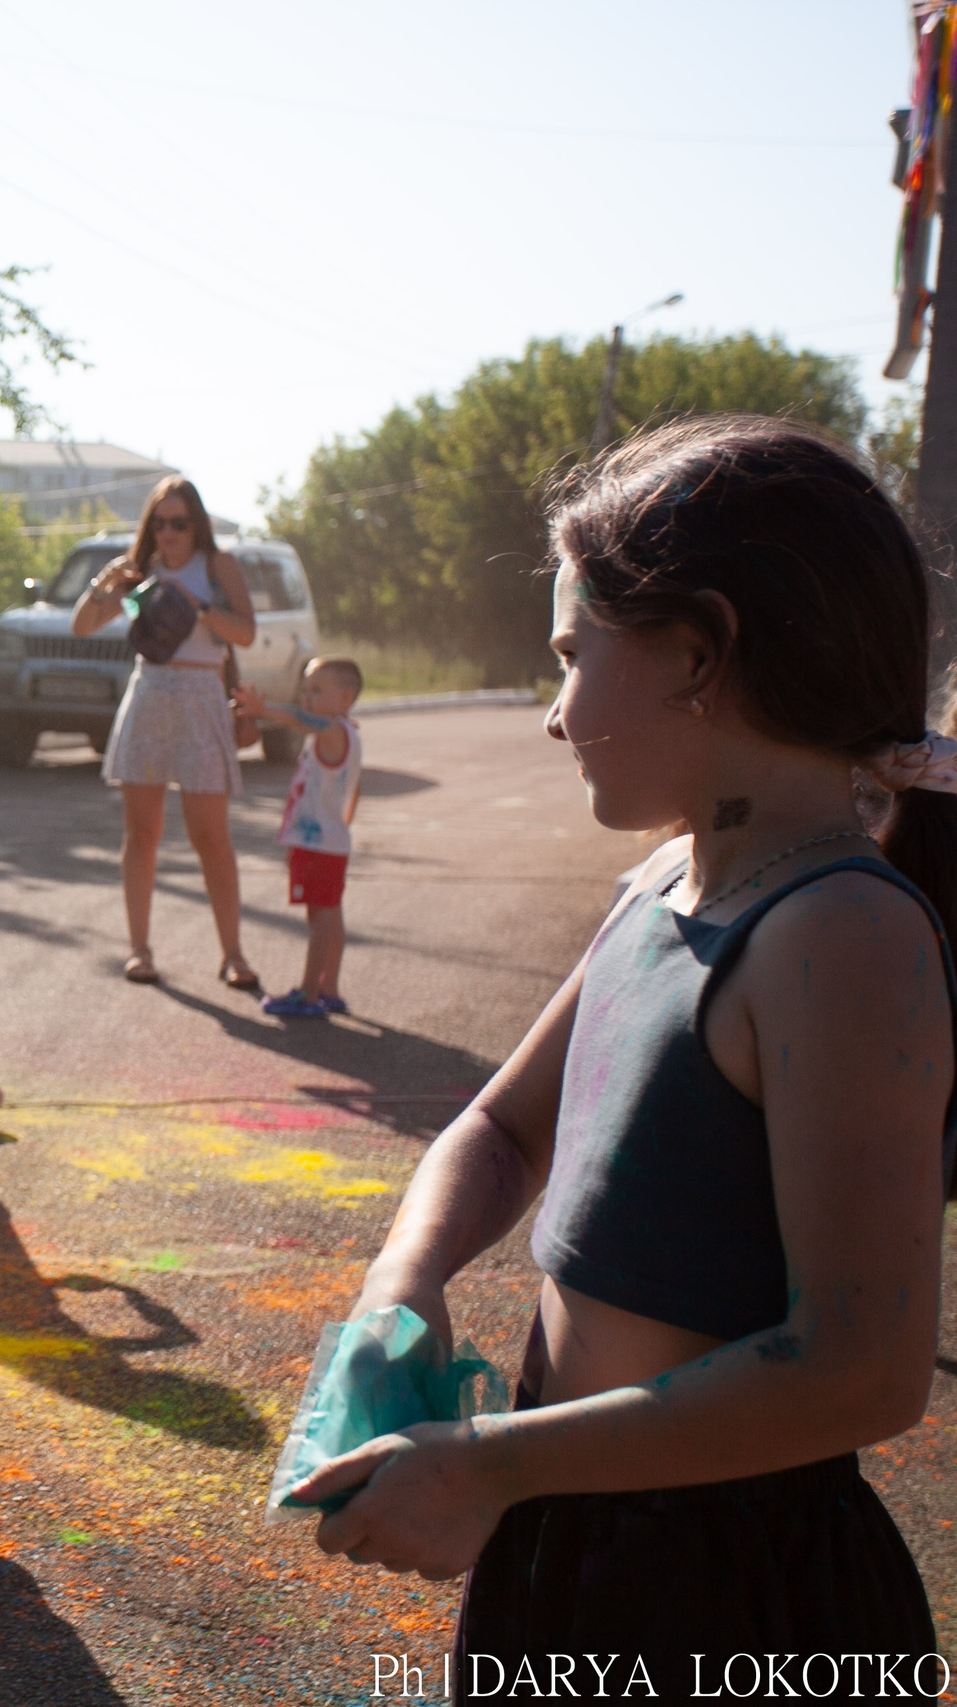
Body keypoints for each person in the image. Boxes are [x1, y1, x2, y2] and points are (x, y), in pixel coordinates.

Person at [286, 417, 947, 1688]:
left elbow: (861, 1370)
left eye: (570, 657)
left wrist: (494, 1465)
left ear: (697, 656)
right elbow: (500, 1129)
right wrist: (401, 1287)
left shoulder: (841, 933)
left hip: (729, 1590)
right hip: (567, 1516)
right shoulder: (665, 882)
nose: (553, 716)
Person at [73, 476, 259, 991]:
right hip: (150, 695)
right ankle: (140, 950)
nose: (169, 532)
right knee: (142, 833)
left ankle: (233, 954)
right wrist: (106, 582)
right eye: (159, 523)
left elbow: (246, 632)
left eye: (178, 522)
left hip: (201, 699)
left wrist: (195, 604)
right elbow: (81, 626)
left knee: (210, 837)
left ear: (196, 524)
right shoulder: (142, 570)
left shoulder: (218, 566)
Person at [235, 656, 364, 1018]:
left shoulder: (332, 731)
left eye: (317, 690)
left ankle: (308, 995)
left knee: (319, 919)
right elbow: (356, 789)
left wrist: (264, 709)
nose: (307, 698)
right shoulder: (347, 733)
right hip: (329, 842)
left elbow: (300, 719)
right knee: (331, 915)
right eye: (305, 689)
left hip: (318, 846)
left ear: (346, 698)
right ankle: (329, 989)